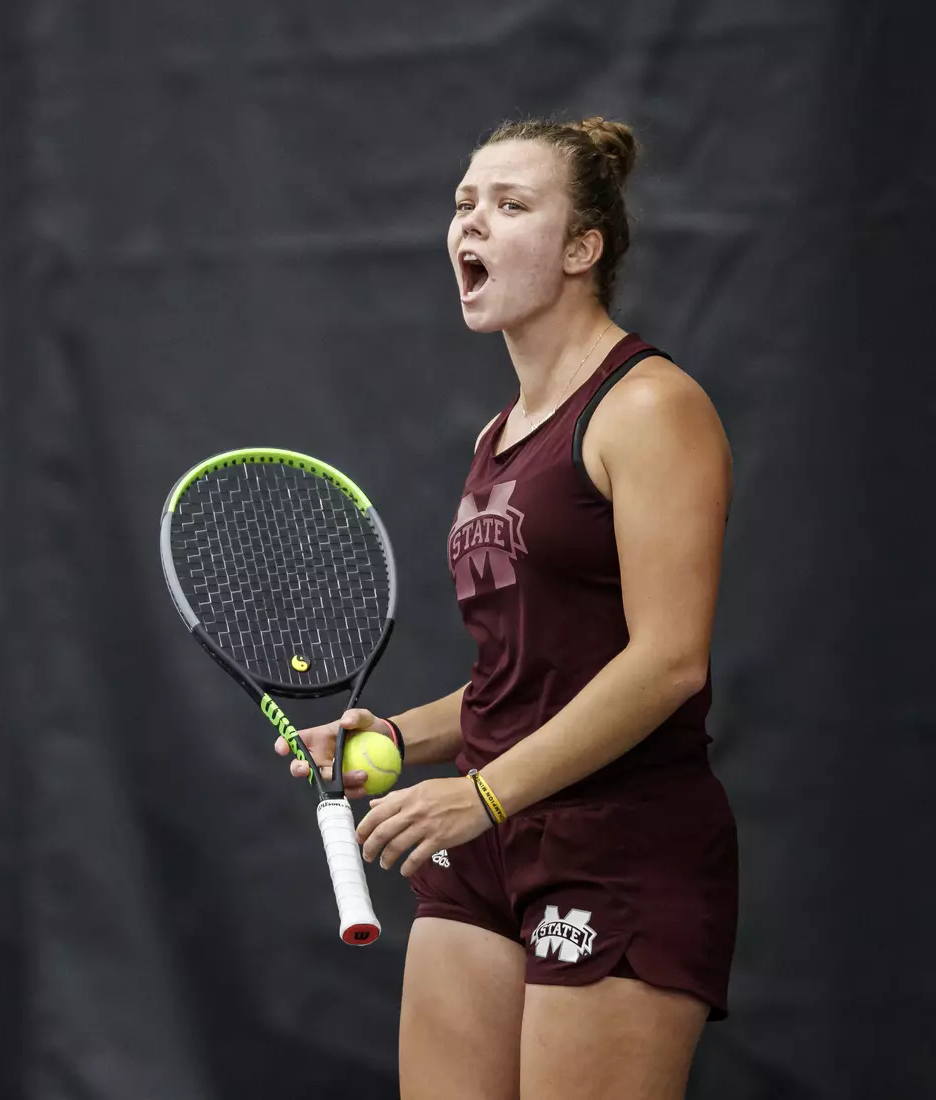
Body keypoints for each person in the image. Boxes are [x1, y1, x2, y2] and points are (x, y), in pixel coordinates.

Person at [275, 116, 737, 1100]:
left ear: (583, 248)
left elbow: (666, 662)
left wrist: (482, 789)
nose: (469, 223)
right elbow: (519, 676)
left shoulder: (650, 407)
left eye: (509, 204)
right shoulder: (498, 435)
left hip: (618, 844)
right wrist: (397, 734)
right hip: (487, 839)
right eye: (463, 202)